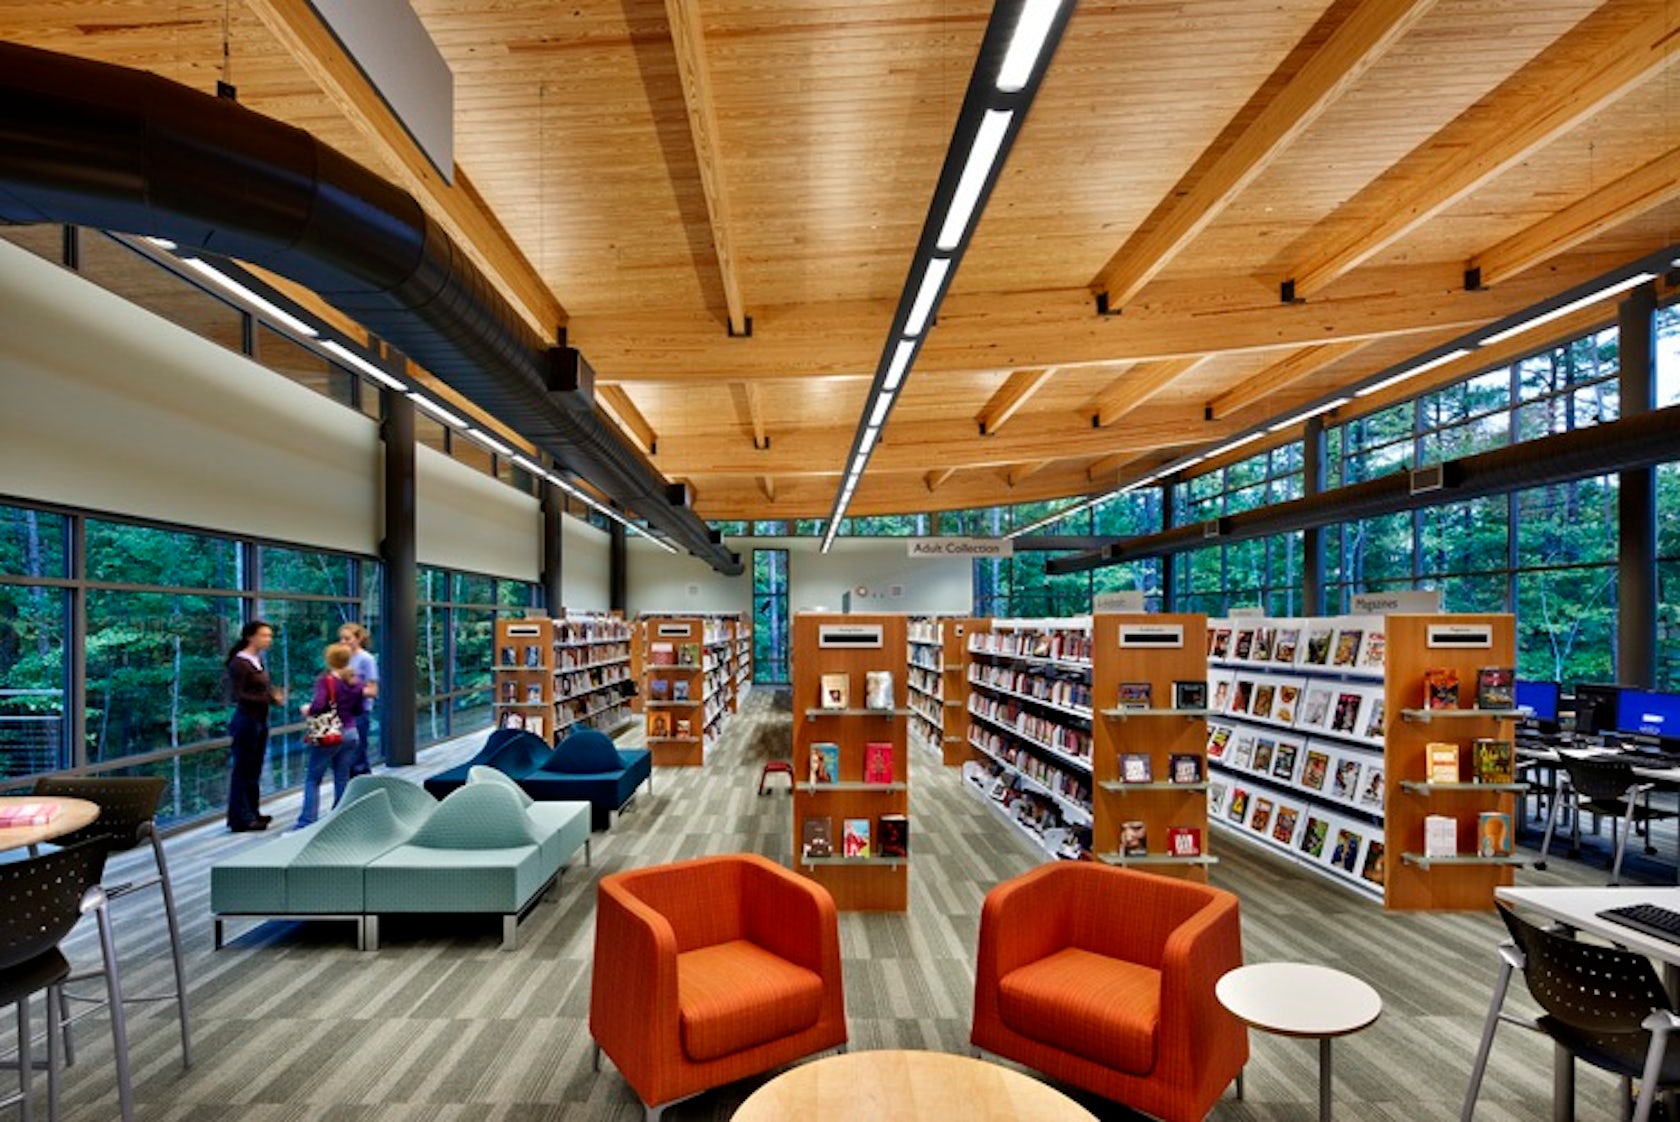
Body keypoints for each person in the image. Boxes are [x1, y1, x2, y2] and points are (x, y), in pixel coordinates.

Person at [296, 642, 365, 829]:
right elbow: (359, 709)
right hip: (351, 732)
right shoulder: (356, 681)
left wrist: (306, 709)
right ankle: (340, 819)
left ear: (329, 659)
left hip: (330, 735)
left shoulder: (326, 681)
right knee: (342, 776)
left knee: (313, 778)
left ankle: (307, 821)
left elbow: (318, 706)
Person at [226, 619, 284, 832]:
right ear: (251, 636)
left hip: (259, 719)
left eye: (270, 635)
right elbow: (240, 695)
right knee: (244, 768)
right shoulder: (240, 662)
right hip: (247, 720)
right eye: (264, 635)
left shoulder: (256, 660)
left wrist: (271, 698)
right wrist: (269, 698)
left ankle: (252, 811)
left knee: (254, 768)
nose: (268, 639)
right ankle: (240, 817)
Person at [337, 622, 379, 775]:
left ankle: (364, 791)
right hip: (343, 712)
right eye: (341, 639)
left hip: (359, 712)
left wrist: (350, 690)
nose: (343, 642)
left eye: (347, 639)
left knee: (357, 757)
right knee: (345, 757)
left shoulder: (366, 659)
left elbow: (372, 690)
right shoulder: (342, 659)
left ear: (358, 638)